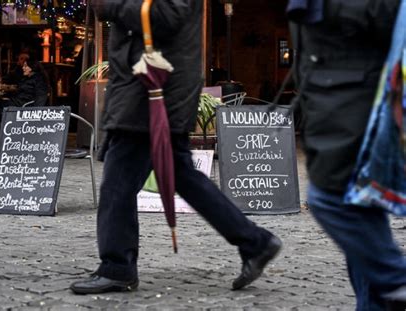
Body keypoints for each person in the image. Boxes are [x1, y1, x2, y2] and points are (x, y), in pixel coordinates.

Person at [70, 0, 282, 295]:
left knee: (118, 184)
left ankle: (117, 267)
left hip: (151, 93)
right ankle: (255, 242)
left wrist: (110, 5)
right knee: (183, 176)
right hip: (152, 89)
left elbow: (166, 14)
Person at [287, 1, 406, 310]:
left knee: (330, 200)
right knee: (359, 212)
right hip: (332, 102)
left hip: (356, 103)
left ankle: (396, 280)